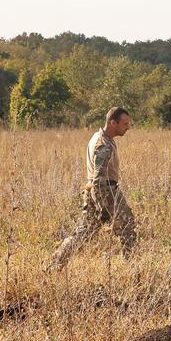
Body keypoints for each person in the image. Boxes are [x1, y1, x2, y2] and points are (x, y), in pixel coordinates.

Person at [49, 107, 137, 268]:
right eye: (125, 123)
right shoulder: (104, 144)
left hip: (95, 191)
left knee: (83, 233)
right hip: (106, 191)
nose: (128, 127)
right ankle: (132, 268)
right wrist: (103, 206)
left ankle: (54, 264)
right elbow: (98, 178)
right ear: (112, 123)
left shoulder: (99, 137)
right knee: (128, 226)